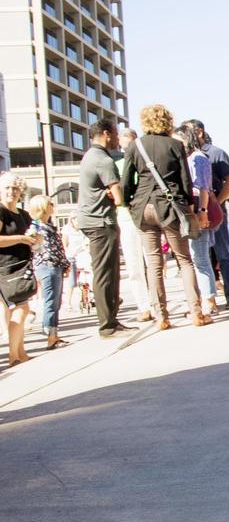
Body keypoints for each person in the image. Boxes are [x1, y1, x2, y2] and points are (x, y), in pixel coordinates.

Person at [122, 104, 212, 330]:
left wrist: (130, 202)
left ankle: (161, 316)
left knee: (153, 263)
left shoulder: (135, 146)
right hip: (170, 205)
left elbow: (125, 181)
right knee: (184, 260)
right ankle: (196, 312)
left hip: (143, 206)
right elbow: (185, 181)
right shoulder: (174, 145)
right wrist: (190, 207)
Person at [77, 118, 135, 338]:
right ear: (106, 133)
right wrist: (114, 193)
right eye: (115, 133)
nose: (117, 138)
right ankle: (107, 325)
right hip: (100, 221)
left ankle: (111, 321)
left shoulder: (89, 156)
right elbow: (119, 198)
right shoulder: (104, 160)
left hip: (93, 220)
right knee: (106, 273)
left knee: (107, 272)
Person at [181, 119, 229, 308]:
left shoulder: (214, 153)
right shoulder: (185, 156)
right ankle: (210, 294)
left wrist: (217, 203)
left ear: (198, 132)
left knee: (222, 253)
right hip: (197, 210)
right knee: (203, 255)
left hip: (212, 210)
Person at [174, 125, 221, 316]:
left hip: (198, 208)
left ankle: (209, 299)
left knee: (200, 257)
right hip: (189, 209)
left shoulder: (198, 158)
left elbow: (202, 188)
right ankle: (205, 298)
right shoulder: (185, 159)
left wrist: (202, 212)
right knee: (196, 257)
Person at [0, 172, 42, 365]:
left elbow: (34, 236)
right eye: (7, 187)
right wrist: (22, 238)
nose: (11, 191)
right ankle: (13, 355)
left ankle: (20, 352)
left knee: (14, 309)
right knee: (21, 308)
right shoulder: (1, 211)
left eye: (15, 188)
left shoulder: (23, 214)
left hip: (22, 265)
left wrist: (35, 240)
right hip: (5, 267)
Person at [114, 128, 154, 322]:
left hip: (142, 214)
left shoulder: (144, 162)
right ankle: (144, 306)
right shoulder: (117, 164)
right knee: (134, 265)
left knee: (152, 261)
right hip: (126, 216)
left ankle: (156, 302)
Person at [28, 196, 69, 349]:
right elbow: (43, 250)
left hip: (55, 266)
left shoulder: (47, 226)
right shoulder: (36, 227)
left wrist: (64, 264)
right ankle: (51, 336)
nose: (53, 206)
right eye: (50, 204)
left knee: (56, 301)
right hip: (48, 266)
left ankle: (54, 334)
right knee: (51, 301)